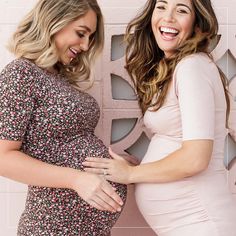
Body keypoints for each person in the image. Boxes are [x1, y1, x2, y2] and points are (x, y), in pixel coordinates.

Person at [82, 0, 236, 235]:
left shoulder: (192, 67)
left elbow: (196, 158)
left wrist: (132, 174)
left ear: (197, 25)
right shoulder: (179, 68)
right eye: (161, 7)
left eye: (182, 10)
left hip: (202, 223)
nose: (168, 17)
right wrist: (146, 168)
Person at [0, 0, 127, 235]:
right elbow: (2, 158)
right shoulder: (20, 73)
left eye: (90, 38)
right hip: (52, 227)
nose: (86, 45)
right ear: (53, 20)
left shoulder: (58, 77)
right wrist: (77, 180)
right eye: (81, 33)